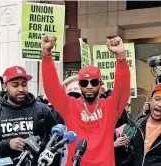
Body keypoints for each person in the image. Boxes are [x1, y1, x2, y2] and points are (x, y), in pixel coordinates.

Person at [41, 35, 130, 166]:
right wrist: (47, 55)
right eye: (84, 83)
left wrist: (121, 57)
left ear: (100, 84)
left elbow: (123, 89)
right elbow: (52, 88)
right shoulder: (69, 106)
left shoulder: (110, 107)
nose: (89, 86)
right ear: (80, 85)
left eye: (93, 82)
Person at [0, 66, 59, 165]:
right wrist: (8, 144)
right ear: (4, 86)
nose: (21, 89)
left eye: (24, 84)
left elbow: (57, 140)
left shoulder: (41, 110)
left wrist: (39, 144)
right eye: (15, 85)